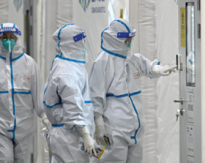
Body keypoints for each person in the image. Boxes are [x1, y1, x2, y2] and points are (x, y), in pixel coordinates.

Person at [89, 19, 176, 162]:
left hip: (136, 128)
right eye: (127, 39)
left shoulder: (130, 58)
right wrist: (99, 124)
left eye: (131, 39)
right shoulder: (103, 61)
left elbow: (146, 66)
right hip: (114, 129)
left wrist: (159, 69)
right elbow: (95, 96)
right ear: (116, 39)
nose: (129, 42)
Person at [43, 24, 97, 162]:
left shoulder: (66, 64)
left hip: (67, 136)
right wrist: (85, 135)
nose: (84, 45)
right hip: (70, 137)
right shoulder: (68, 72)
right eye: (80, 41)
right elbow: (73, 109)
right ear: (71, 44)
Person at [0, 23, 51, 163]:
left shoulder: (29, 64)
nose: (8, 40)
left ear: (18, 39)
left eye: (12, 37)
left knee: (21, 160)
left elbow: (38, 92)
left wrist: (44, 116)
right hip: (1, 127)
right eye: (4, 37)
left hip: (25, 127)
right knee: (5, 159)